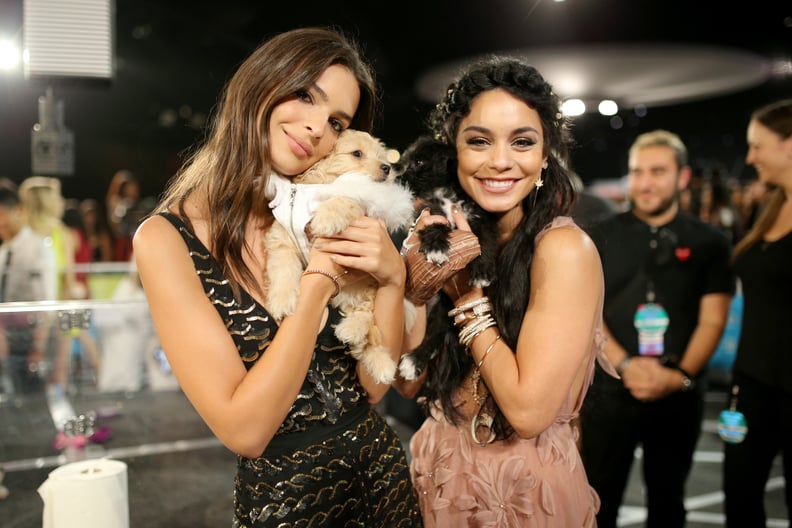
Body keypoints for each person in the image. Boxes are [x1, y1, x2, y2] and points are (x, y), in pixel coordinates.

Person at [132, 27, 422, 526]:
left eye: (336, 121)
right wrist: (317, 285)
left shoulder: (330, 213)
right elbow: (245, 431)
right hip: (290, 505)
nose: (315, 127)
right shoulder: (166, 239)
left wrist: (393, 280)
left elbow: (373, 390)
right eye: (305, 95)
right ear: (260, 86)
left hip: (385, 480)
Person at [393, 56, 616, 527]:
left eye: (522, 142)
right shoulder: (448, 237)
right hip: (439, 477)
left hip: (522, 496)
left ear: (544, 155)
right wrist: (412, 292)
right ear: (454, 152)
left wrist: (463, 296)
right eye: (479, 141)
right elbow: (407, 382)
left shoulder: (562, 249)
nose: (500, 161)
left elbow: (528, 410)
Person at [579, 129, 736, 527]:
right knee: (597, 500)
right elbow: (590, 311)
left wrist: (679, 375)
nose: (645, 182)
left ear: (682, 177)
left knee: (669, 502)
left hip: (678, 391)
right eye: (637, 172)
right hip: (610, 389)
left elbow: (713, 317)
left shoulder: (711, 242)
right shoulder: (599, 236)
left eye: (657, 171)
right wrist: (626, 364)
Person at [723, 98, 792, 527]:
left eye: (757, 146)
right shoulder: (772, 205)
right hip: (751, 385)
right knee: (740, 499)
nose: (749, 157)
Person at [0, 185, 57, 394]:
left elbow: (46, 301)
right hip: (8, 340)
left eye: (2, 215)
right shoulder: (4, 251)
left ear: (18, 210)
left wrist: (38, 347)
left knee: (34, 402)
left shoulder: (38, 248)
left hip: (32, 339)